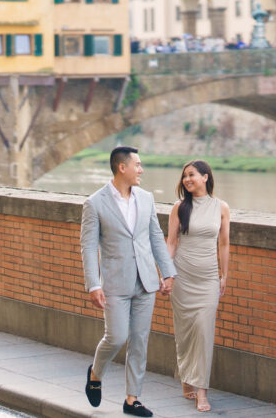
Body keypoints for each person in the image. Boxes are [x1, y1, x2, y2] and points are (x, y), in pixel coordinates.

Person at [81, 146, 177, 417]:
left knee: (139, 340)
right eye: (137, 165)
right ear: (122, 167)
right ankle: (95, 373)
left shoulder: (146, 198)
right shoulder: (95, 203)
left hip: (146, 280)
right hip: (114, 283)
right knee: (116, 337)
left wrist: (167, 272)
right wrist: (93, 283)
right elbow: (88, 247)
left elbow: (155, 237)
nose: (141, 170)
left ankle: (132, 398)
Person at [166, 160, 230, 413]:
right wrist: (167, 273)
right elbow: (171, 242)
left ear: (205, 177)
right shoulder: (179, 207)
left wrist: (224, 275)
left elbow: (224, 244)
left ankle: (201, 390)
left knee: (204, 330)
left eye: (191, 175)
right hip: (182, 276)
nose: (187, 180)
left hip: (207, 279)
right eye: (184, 176)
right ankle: (186, 377)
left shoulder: (221, 207)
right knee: (185, 332)